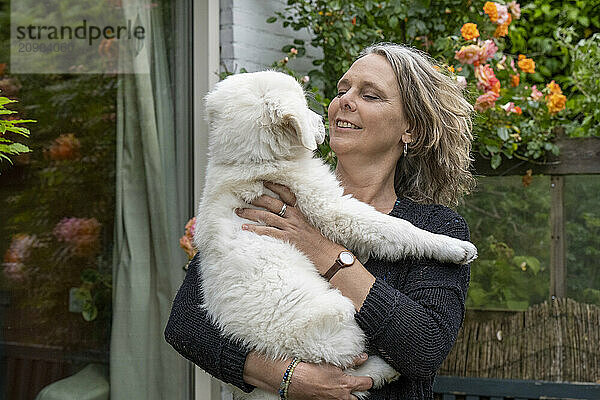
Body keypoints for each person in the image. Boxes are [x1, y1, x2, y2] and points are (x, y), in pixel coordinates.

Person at [165, 42, 475, 400]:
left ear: (412, 129)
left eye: (370, 95)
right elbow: (186, 324)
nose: (345, 100)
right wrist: (289, 377)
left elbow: (424, 349)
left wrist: (319, 247)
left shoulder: (435, 228)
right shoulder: (271, 192)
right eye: (343, 90)